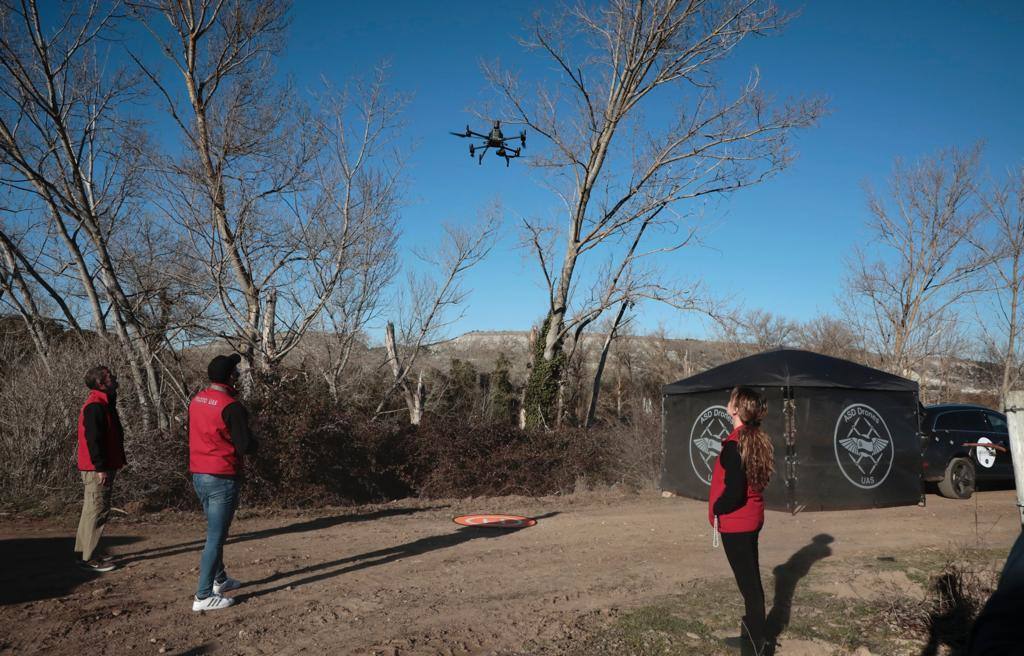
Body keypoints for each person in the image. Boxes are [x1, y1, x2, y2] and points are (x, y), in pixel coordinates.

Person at [188, 353, 257, 611]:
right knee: (215, 538)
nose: (238, 375)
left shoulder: (197, 400)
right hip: (222, 476)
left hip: (199, 474)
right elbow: (245, 445)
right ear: (230, 377)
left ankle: (219, 580)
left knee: (214, 533)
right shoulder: (232, 406)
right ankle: (203, 596)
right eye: (236, 372)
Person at [709, 386, 775, 656]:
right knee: (750, 583)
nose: (727, 403)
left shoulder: (736, 445)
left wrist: (717, 508)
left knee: (749, 585)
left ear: (736, 409)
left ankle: (757, 646)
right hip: (750, 519)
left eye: (731, 400)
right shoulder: (754, 439)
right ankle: (752, 635)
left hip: (737, 523)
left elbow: (735, 492)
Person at [75, 365, 127, 572]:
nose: (114, 378)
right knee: (97, 510)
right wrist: (100, 467)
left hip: (97, 466)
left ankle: (85, 551)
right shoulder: (95, 406)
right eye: (109, 376)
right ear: (100, 383)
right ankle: (89, 558)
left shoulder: (103, 402)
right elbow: (92, 440)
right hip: (96, 468)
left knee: (91, 509)